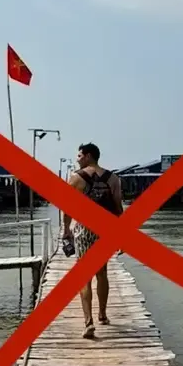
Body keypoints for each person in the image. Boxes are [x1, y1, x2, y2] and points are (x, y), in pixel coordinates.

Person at [61, 142, 124, 339]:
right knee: (102, 273)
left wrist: (66, 231)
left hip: (84, 229)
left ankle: (88, 323)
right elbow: (118, 207)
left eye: (79, 155)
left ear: (88, 156)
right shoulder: (113, 178)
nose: (77, 158)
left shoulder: (77, 178)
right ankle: (103, 315)